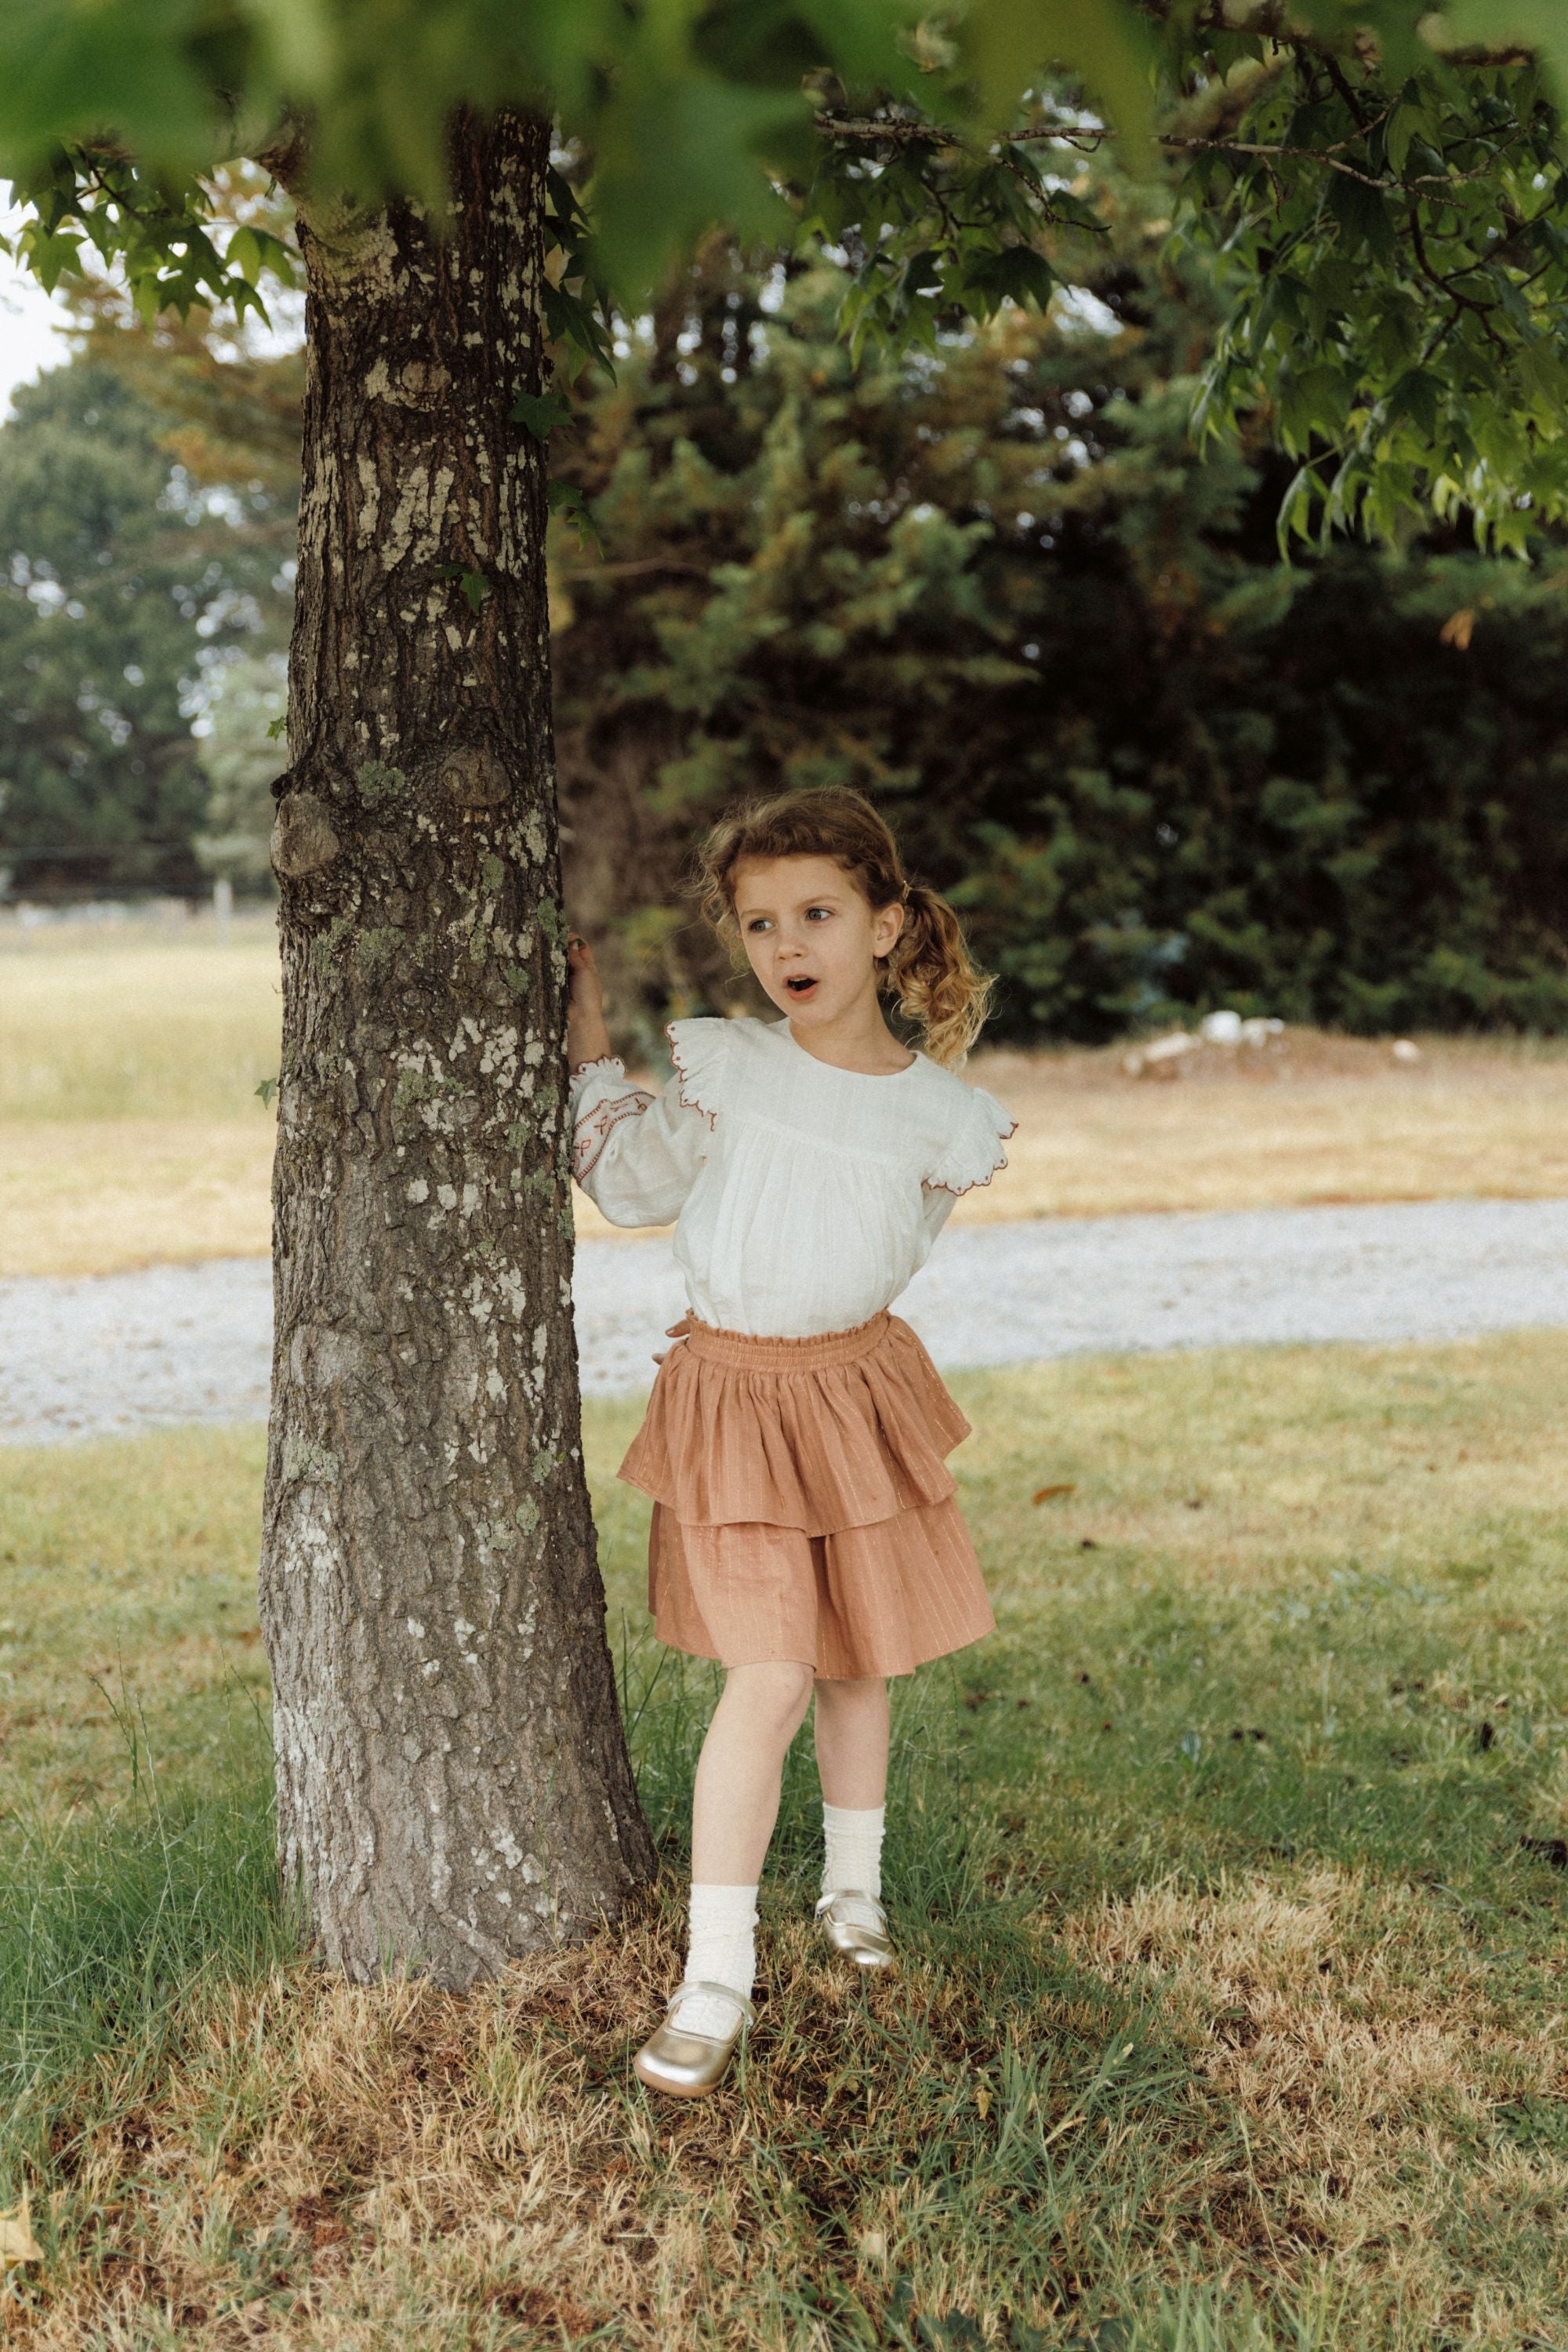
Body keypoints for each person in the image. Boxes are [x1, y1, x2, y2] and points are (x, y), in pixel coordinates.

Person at [565, 786, 1014, 2098]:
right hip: (737, 1403)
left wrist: (839, 1365)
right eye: (760, 923)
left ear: (884, 926)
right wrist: (587, 1043)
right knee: (769, 1673)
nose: (787, 945)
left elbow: (883, 1250)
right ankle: (716, 1975)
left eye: (817, 913)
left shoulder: (945, 1118)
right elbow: (635, 1186)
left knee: (858, 1661)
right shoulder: (732, 1071)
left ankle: (854, 1897)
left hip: (857, 1393)